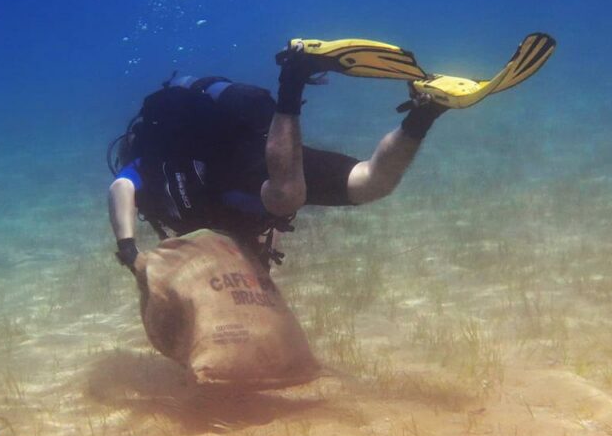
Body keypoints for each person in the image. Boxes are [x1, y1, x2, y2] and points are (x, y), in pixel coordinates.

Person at [108, 34, 555, 269]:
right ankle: (425, 111)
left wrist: (127, 248)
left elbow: (120, 188)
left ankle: (295, 77)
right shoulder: (176, 165)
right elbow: (260, 220)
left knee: (285, 195)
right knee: (370, 183)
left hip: (243, 165)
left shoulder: (148, 162)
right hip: (266, 151)